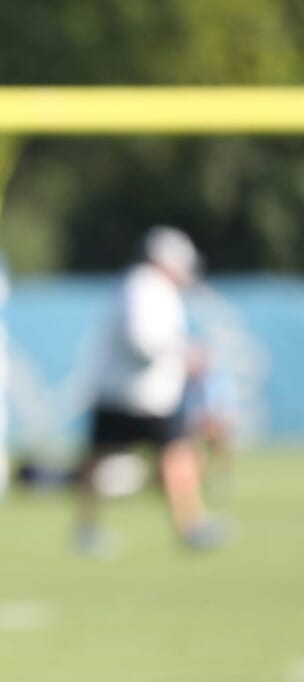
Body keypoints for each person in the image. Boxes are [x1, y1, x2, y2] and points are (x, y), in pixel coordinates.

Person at [75, 225, 224, 554]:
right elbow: (142, 340)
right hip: (132, 393)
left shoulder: (153, 288)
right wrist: (184, 354)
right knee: (104, 459)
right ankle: (88, 528)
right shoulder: (141, 286)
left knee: (174, 455)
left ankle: (190, 525)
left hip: (151, 393)